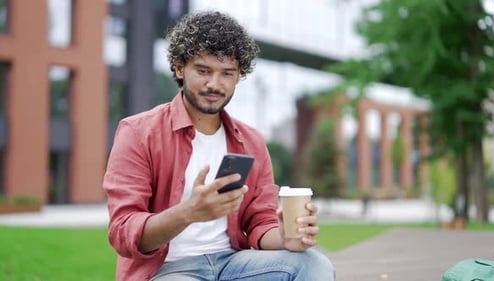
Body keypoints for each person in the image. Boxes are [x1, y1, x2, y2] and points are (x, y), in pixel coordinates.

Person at [103, 11, 335, 281]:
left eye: (227, 73)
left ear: (239, 76)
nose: (215, 84)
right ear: (180, 68)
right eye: (203, 70)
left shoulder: (251, 142)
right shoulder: (138, 132)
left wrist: (284, 237)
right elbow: (122, 231)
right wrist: (188, 212)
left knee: (313, 264)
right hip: (169, 270)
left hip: (233, 264)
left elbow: (261, 223)